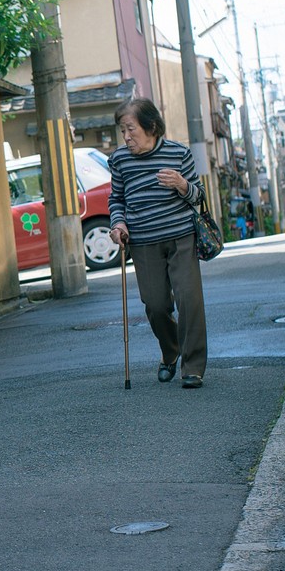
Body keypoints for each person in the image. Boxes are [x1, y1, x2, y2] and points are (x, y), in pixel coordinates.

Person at [108, 98, 208, 389]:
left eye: (131, 129)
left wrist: (182, 184)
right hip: (144, 242)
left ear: (151, 126)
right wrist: (118, 223)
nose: (126, 137)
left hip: (181, 238)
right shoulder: (120, 160)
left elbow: (198, 196)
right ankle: (170, 350)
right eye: (122, 131)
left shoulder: (179, 154)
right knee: (156, 304)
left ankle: (193, 366)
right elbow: (116, 200)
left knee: (189, 300)